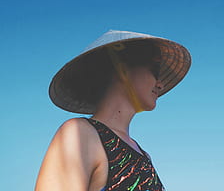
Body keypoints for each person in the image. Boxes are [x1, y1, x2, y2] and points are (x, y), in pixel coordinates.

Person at [35, 30, 191, 191]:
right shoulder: (79, 133)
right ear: (122, 69)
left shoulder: (144, 156)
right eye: (154, 71)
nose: (160, 84)